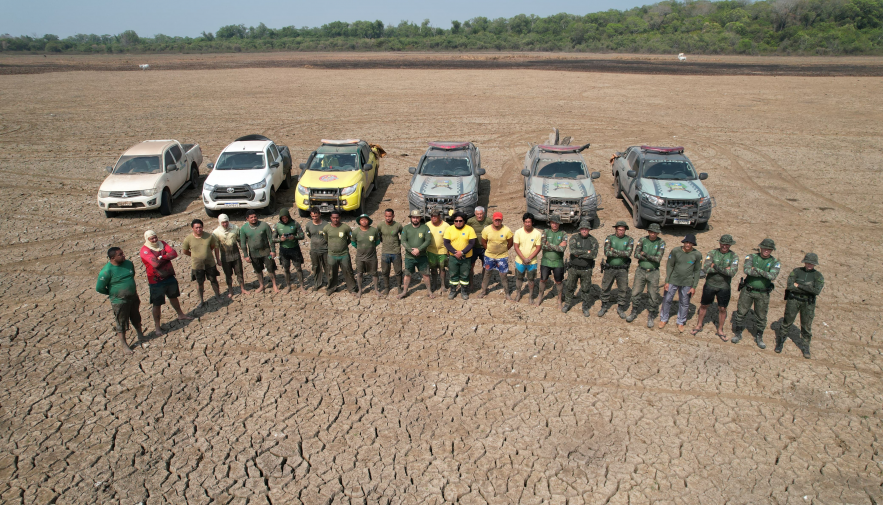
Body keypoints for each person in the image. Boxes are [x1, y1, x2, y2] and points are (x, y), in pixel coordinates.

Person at [139, 230, 193, 337]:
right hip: (156, 281)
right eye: (152, 239)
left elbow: (174, 253)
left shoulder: (162, 243)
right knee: (157, 303)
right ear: (147, 239)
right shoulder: (144, 250)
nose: (155, 240)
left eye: (155, 237)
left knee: (173, 296)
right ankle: (157, 327)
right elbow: (155, 263)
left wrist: (161, 257)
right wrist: (165, 256)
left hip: (169, 276)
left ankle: (180, 315)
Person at [732, 238, 781, 349]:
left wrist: (757, 270)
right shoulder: (751, 257)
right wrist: (765, 273)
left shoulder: (775, 262)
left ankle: (759, 336)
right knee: (741, 312)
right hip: (748, 290)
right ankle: (738, 333)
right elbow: (747, 270)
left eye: (769, 249)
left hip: (763, 293)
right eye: (764, 248)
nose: (766, 250)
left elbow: (772, 276)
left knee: (761, 316)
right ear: (760, 248)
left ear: (772, 250)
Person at [96, 247, 144, 353]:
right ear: (112, 258)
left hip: (133, 297)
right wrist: (113, 293)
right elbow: (99, 288)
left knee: (136, 316)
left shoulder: (128, 264)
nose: (123, 255)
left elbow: (132, 275)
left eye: (123, 253)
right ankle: (124, 344)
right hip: (119, 301)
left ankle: (140, 334)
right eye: (120, 254)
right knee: (121, 322)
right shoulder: (106, 271)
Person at [777, 253, 825, 358]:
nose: (809, 265)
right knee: (787, 322)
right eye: (808, 262)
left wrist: (799, 285)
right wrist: (807, 287)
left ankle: (805, 346)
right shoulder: (796, 271)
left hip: (808, 303)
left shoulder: (818, 276)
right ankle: (780, 342)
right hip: (793, 300)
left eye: (812, 263)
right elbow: (790, 286)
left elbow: (816, 291)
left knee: (806, 325)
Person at [691, 235, 738, 339]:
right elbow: (706, 269)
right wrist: (725, 269)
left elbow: (732, 273)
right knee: (704, 305)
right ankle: (699, 325)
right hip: (710, 285)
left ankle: (720, 329)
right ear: (719, 243)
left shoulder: (734, 256)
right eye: (723, 243)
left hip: (724, 287)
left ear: (730, 245)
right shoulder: (712, 253)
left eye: (727, 244)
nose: (724, 246)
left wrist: (715, 266)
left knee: (722, 308)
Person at [659, 234, 702, 332]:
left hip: (687, 282)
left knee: (684, 302)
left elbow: (697, 271)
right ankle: (663, 319)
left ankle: (681, 321)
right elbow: (670, 265)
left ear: (693, 244)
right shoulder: (675, 251)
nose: (688, 244)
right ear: (683, 242)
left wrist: (694, 286)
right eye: (686, 242)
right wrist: (667, 281)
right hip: (673, 280)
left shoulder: (697, 255)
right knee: (667, 300)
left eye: (690, 243)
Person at [626, 223, 666, 327]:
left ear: (657, 233)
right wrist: (648, 256)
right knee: (635, 292)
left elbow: (658, 258)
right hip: (641, 270)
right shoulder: (642, 240)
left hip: (653, 271)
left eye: (655, 232)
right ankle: (634, 311)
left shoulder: (661, 242)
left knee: (653, 294)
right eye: (651, 232)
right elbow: (636, 254)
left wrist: (645, 254)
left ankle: (651, 315)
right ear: (648, 232)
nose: (653, 234)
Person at [562, 218, 598, 317]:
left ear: (589, 230)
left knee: (586, 289)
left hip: (586, 270)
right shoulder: (574, 238)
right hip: (573, 268)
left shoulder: (593, 240)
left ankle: (585, 307)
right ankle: (567, 304)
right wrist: (587, 252)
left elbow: (593, 255)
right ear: (579, 229)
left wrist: (580, 253)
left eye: (586, 229)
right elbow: (573, 251)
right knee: (570, 287)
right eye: (582, 229)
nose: (584, 230)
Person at [182, 218, 222, 308]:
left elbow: (213, 246)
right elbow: (185, 251)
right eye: (196, 228)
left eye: (200, 227)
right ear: (192, 228)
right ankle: (201, 300)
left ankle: (218, 296)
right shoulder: (188, 239)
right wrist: (195, 255)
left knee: (213, 280)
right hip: (197, 265)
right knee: (199, 283)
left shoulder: (209, 236)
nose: (198, 229)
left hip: (209, 263)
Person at [598, 221, 635, 318]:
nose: (621, 231)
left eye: (623, 230)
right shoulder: (610, 238)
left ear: (625, 230)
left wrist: (613, 250)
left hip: (622, 269)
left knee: (623, 288)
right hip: (610, 268)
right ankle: (604, 306)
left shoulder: (629, 240)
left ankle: (621, 308)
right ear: (616, 229)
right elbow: (607, 252)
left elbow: (628, 254)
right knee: (605, 287)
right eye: (619, 229)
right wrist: (621, 252)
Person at [239, 210, 279, 294]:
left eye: (255, 217)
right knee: (258, 270)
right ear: (247, 219)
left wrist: (273, 251)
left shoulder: (264, 225)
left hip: (266, 252)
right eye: (251, 217)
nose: (254, 219)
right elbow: (243, 243)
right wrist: (246, 255)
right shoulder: (244, 229)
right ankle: (261, 285)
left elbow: (271, 239)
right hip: (254, 254)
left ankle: (274, 284)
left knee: (270, 268)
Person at [212, 214, 250, 297]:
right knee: (228, 274)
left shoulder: (235, 228)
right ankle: (230, 290)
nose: (225, 224)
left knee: (239, 272)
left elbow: (240, 241)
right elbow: (216, 247)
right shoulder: (216, 232)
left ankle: (242, 288)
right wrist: (218, 259)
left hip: (236, 255)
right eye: (223, 223)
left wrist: (244, 252)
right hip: (225, 257)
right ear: (219, 222)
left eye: (226, 222)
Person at [399, 209, 434, 298]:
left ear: (420, 218)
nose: (415, 219)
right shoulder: (406, 228)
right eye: (413, 217)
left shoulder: (425, 228)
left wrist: (419, 249)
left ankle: (429, 291)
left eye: (417, 218)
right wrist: (411, 250)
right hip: (409, 257)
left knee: (425, 274)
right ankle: (404, 291)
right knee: (407, 274)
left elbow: (428, 240)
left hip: (422, 256)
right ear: (411, 218)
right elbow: (403, 241)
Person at [478, 211, 513, 299]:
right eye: (496, 220)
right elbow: (483, 241)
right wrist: (489, 249)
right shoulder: (487, 230)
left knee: (503, 275)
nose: (497, 222)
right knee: (487, 273)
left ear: (502, 220)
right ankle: (483, 291)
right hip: (489, 256)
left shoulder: (507, 230)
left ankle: (507, 293)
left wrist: (503, 250)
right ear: (493, 220)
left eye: (499, 220)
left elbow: (510, 243)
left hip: (502, 257)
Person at [443, 212, 477, 300]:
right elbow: (446, 242)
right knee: (453, 274)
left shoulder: (469, 229)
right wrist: (455, 252)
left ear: (464, 221)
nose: (458, 222)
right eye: (456, 221)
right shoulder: (449, 229)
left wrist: (462, 252)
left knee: (464, 275)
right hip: (453, 257)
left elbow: (472, 243)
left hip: (466, 257)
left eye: (460, 221)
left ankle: (464, 291)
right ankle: (453, 291)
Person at [536, 216, 568, 308]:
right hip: (545, 261)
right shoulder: (545, 232)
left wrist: (549, 244)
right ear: (550, 223)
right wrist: (557, 246)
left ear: (559, 224)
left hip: (558, 262)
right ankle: (540, 296)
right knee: (543, 279)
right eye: (553, 222)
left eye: (556, 223)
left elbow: (562, 249)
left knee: (558, 281)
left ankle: (559, 299)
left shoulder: (563, 233)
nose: (554, 224)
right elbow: (543, 246)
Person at [323, 210, 357, 295]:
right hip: (332, 254)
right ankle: (331, 288)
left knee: (348, 271)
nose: (335, 219)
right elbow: (326, 239)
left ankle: (352, 288)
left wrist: (344, 244)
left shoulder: (345, 227)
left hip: (344, 254)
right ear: (331, 218)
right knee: (332, 272)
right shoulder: (326, 228)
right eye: (333, 218)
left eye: (337, 218)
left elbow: (350, 238)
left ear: (340, 218)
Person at [273, 208, 306, 292]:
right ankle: (288, 286)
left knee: (298, 268)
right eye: (282, 218)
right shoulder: (277, 225)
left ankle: (302, 285)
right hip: (284, 250)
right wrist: (281, 239)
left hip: (295, 249)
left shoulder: (295, 223)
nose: (284, 220)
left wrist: (294, 237)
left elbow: (302, 235)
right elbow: (272, 239)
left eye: (286, 218)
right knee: (286, 269)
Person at [512, 213, 542, 303]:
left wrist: (529, 258)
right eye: (526, 222)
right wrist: (523, 258)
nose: (527, 224)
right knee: (519, 278)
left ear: (532, 222)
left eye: (529, 222)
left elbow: (538, 247)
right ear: (523, 222)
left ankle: (531, 296)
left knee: (531, 279)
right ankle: (518, 294)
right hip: (519, 261)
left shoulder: (537, 233)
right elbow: (516, 246)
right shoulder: (518, 232)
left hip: (532, 262)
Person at [352, 213, 381, 297]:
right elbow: (353, 242)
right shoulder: (356, 232)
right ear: (359, 221)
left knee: (374, 273)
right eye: (362, 220)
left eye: (366, 220)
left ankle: (376, 289)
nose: (364, 221)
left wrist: (371, 247)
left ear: (368, 221)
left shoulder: (373, 230)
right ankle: (360, 290)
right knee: (359, 273)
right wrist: (359, 248)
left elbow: (377, 241)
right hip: (360, 257)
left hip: (372, 257)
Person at [377, 208, 404, 297]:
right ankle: (386, 287)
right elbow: (379, 236)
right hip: (385, 252)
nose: (388, 218)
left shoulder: (398, 225)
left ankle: (399, 287)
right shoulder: (380, 225)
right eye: (386, 216)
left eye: (390, 216)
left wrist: (398, 244)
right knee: (385, 271)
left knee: (398, 271)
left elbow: (403, 236)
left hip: (396, 252)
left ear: (393, 216)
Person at [466, 207, 492, 291]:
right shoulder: (470, 221)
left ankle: (483, 284)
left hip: (484, 248)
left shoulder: (488, 221)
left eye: (481, 214)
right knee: (471, 266)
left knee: (485, 266)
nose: (479, 216)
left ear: (484, 213)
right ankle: (471, 284)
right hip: (473, 247)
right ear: (475, 213)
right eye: (478, 214)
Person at [304, 207, 328, 292]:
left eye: (316, 216)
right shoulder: (309, 225)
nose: (315, 218)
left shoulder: (326, 225)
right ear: (311, 215)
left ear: (320, 214)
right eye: (313, 216)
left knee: (327, 267)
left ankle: (330, 283)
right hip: (314, 250)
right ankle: (317, 283)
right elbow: (309, 235)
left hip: (325, 250)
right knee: (316, 267)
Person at [426, 210, 449, 291]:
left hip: (442, 251)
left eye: (435, 216)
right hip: (430, 251)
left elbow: (449, 238)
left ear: (439, 216)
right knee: (433, 269)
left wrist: (449, 250)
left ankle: (443, 285)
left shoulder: (446, 226)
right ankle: (434, 284)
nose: (433, 218)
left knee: (442, 269)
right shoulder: (427, 225)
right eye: (432, 216)